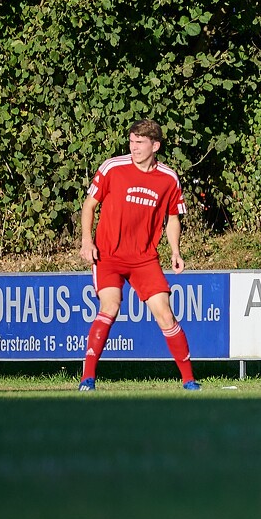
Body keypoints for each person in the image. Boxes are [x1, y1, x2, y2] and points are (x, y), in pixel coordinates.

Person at [76, 120, 197, 391]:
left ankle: (189, 380)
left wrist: (175, 251)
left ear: (155, 146)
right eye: (132, 142)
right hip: (109, 255)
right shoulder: (113, 167)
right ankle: (88, 378)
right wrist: (86, 240)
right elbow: (89, 205)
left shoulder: (168, 178)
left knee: (165, 314)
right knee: (110, 306)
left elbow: (173, 218)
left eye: (140, 143)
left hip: (144, 258)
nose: (134, 147)